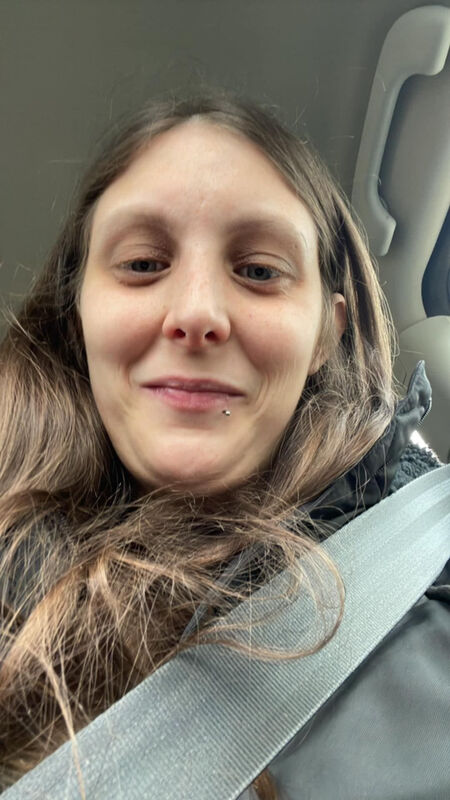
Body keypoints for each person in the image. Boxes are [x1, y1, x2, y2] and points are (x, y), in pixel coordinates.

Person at [0, 88, 446, 800]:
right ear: (77, 312)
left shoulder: (429, 596)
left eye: (260, 270)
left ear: (326, 335)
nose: (197, 313)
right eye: (142, 263)